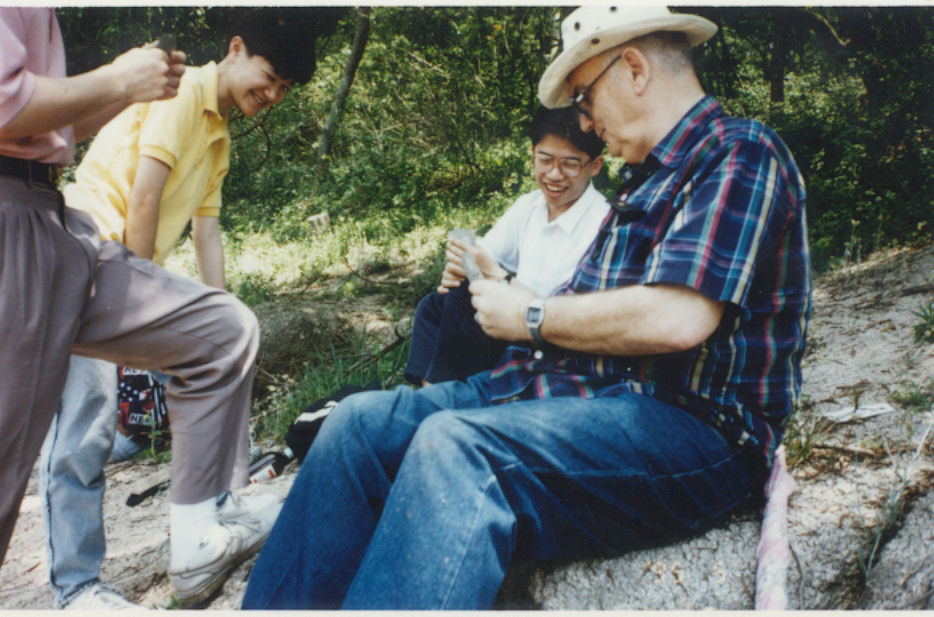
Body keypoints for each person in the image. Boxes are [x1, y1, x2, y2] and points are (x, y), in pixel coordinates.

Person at [242, 4, 811, 610]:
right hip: (570, 393)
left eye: (586, 98)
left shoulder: (740, 153)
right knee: (355, 425)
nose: (585, 121)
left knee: (454, 448)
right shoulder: (642, 181)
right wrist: (502, 286)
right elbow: (595, 311)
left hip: (693, 431)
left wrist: (531, 315)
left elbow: (678, 319)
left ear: (636, 69)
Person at [35, 8, 327, 609]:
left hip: (120, 263)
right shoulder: (184, 90)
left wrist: (219, 310)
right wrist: (141, 298)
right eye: (268, 77)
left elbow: (207, 234)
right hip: (85, 248)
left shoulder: (218, 134)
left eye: (285, 89)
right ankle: (76, 586)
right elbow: (143, 196)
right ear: (237, 48)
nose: (272, 95)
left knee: (230, 338)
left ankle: (221, 503)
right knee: (85, 423)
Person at [405, 105, 608, 386]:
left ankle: (439, 397)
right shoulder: (530, 206)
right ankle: (431, 391)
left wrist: (497, 276)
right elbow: (484, 253)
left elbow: (569, 315)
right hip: (507, 325)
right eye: (545, 160)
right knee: (433, 305)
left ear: (595, 165)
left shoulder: (602, 224)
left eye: (570, 164)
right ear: (533, 154)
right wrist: (461, 264)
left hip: (550, 339)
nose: (554, 174)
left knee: (466, 297)